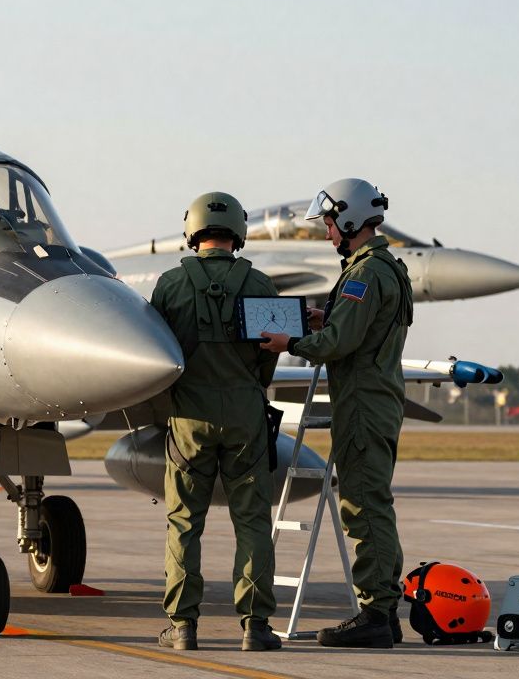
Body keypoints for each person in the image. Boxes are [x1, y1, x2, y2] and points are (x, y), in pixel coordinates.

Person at [261, 178, 414, 649]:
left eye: (329, 223)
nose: (327, 233)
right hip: (377, 399)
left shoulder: (365, 273)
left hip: (364, 404)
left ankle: (374, 616)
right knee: (375, 505)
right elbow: (361, 329)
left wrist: (292, 343)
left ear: (348, 219)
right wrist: (324, 318)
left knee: (363, 507)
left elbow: (339, 345)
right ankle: (384, 615)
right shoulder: (388, 268)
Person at [151, 192, 282, 652]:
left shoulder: (169, 285)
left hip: (189, 418)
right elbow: (269, 359)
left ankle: (183, 627)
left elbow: (158, 356)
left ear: (193, 229)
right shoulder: (262, 285)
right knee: (252, 522)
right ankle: (255, 627)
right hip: (246, 417)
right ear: (237, 233)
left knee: (184, 522)